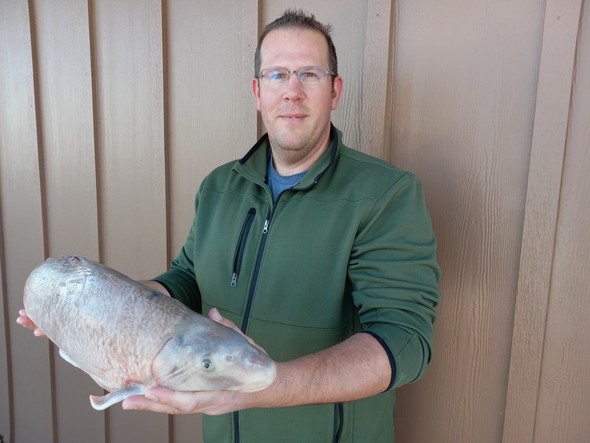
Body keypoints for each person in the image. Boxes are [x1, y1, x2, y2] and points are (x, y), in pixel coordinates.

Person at [18, 9, 441, 443]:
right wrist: (107, 308)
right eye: (277, 75)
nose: (292, 91)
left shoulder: (387, 194)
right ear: (257, 92)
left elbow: (403, 340)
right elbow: (186, 280)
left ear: (335, 90)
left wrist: (266, 385)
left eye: (309, 74)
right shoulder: (221, 186)